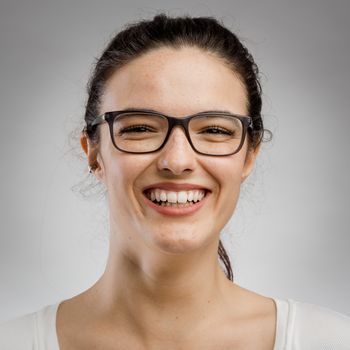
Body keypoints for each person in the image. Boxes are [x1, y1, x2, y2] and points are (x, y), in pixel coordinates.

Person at [1, 13, 349, 350]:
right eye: (139, 128)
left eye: (215, 130)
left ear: (249, 154)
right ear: (94, 153)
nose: (177, 161)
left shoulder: (330, 342)